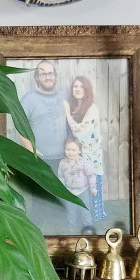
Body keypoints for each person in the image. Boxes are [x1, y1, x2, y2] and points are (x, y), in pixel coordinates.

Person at [20, 60, 71, 232]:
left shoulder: (64, 97)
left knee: (62, 199)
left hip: (63, 157)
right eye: (43, 73)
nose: (47, 77)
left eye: (50, 73)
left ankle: (64, 233)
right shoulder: (28, 99)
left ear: (55, 76)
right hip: (39, 158)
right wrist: (30, 148)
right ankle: (36, 234)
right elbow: (20, 125)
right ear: (37, 77)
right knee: (39, 199)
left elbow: (72, 124)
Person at [63, 75, 107, 221]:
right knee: (78, 188)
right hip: (75, 156)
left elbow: (82, 132)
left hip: (91, 157)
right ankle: (79, 216)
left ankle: (95, 218)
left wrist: (67, 113)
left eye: (82, 86)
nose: (78, 89)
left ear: (87, 90)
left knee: (93, 188)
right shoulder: (74, 106)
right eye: (75, 86)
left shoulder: (92, 109)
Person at [57, 138, 96, 233]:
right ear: (64, 150)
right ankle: (72, 228)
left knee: (85, 210)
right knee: (71, 211)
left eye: (73, 150)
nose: (70, 152)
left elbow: (91, 176)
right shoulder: (62, 163)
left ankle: (88, 227)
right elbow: (61, 177)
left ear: (79, 151)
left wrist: (93, 188)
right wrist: (61, 190)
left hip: (83, 191)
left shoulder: (84, 163)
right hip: (69, 192)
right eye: (68, 149)